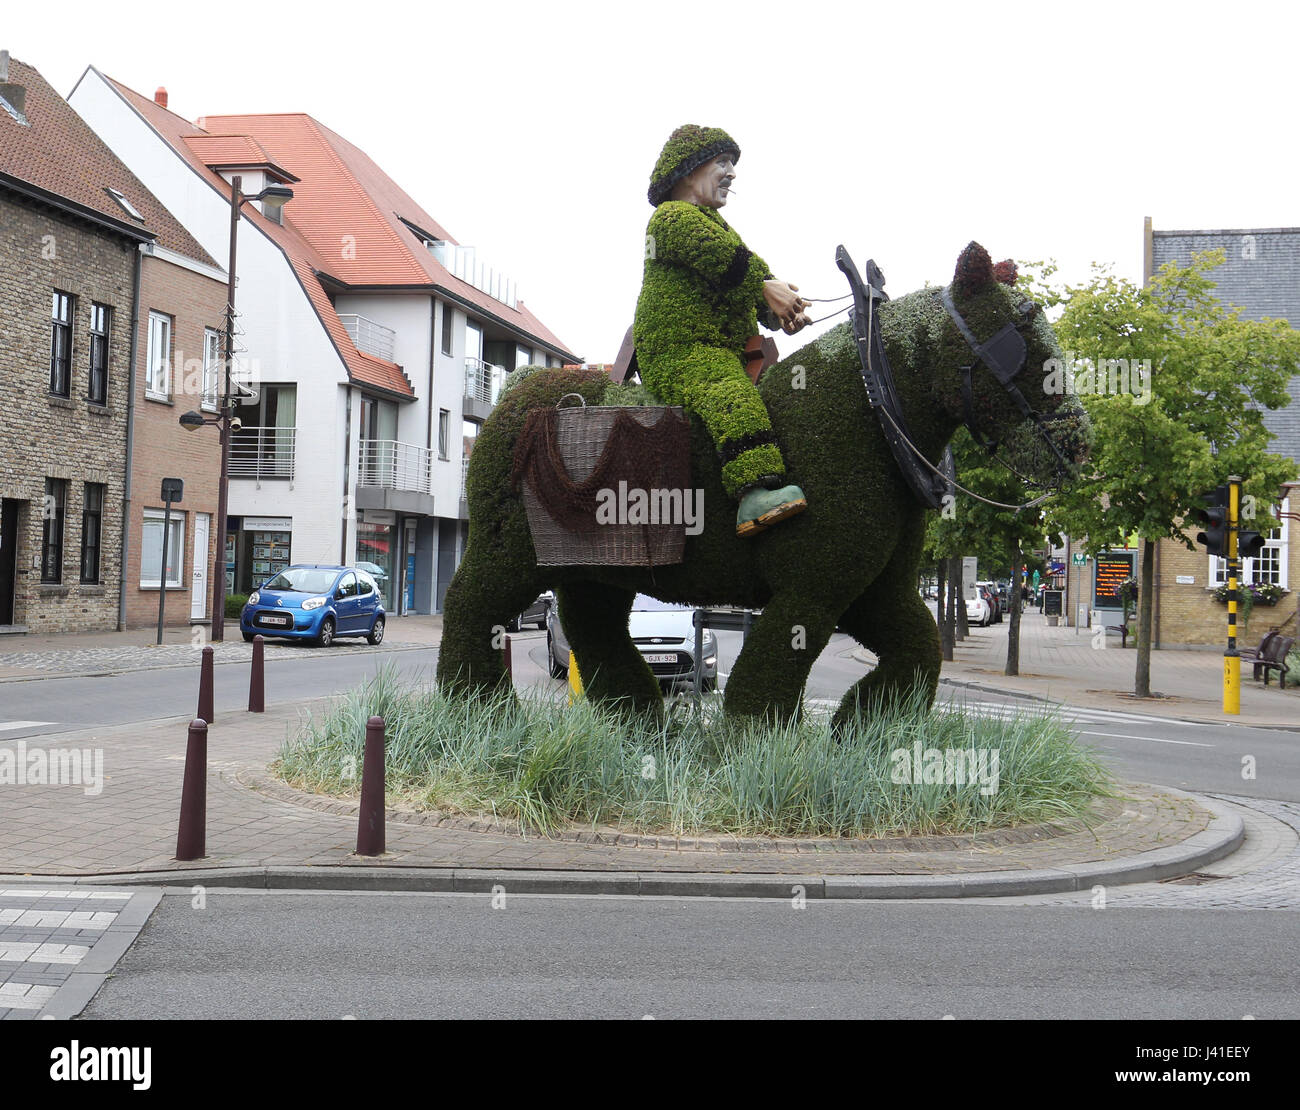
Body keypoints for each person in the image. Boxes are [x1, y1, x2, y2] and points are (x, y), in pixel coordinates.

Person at [634, 124, 812, 537]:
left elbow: (751, 278)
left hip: (729, 352)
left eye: (733, 164)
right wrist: (768, 289)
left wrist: (782, 312)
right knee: (728, 391)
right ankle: (752, 496)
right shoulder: (670, 218)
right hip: (682, 353)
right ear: (686, 172)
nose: (732, 173)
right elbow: (727, 262)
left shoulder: (724, 229)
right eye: (723, 162)